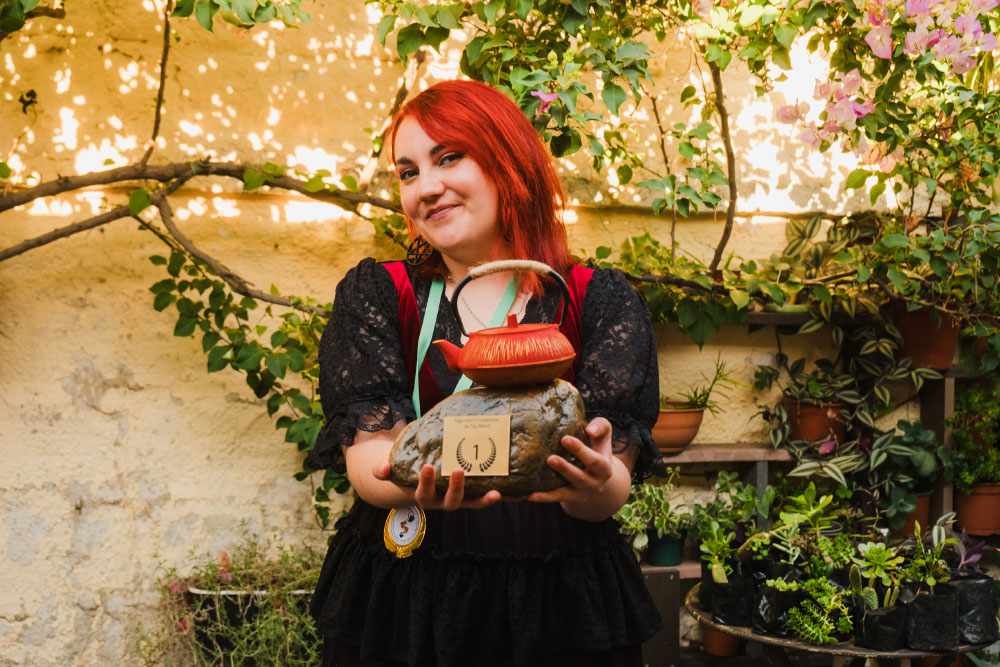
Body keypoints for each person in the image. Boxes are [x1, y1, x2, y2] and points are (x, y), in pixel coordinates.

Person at [308, 79, 662, 667]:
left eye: (449, 158)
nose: (426, 187)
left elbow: (610, 487)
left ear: (508, 162)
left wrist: (596, 483)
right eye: (408, 172)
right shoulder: (381, 294)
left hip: (555, 594)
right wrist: (411, 479)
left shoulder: (595, 300)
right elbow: (369, 463)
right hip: (409, 593)